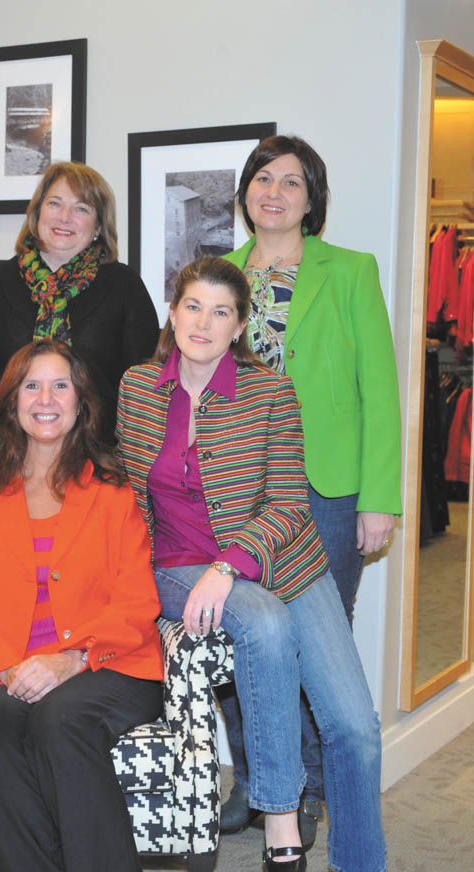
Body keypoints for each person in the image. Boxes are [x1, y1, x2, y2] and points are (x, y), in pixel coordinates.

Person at [117, 257, 385, 872]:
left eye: (221, 312)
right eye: (193, 306)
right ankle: (282, 828)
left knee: (357, 729)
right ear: (173, 312)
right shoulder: (137, 386)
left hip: (283, 562)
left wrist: (232, 563)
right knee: (261, 623)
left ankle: (362, 863)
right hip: (178, 563)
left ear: (239, 326)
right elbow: (130, 496)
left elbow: (291, 502)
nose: (203, 323)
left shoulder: (270, 390)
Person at [220, 134, 401, 841]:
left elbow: (380, 392)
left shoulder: (351, 271)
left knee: (318, 640)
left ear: (311, 198)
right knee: (240, 639)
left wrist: (379, 495)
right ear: (245, 193)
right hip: (239, 490)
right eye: (262, 179)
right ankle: (262, 783)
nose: (274, 192)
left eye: (291, 182)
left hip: (326, 489)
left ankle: (314, 790)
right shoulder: (219, 274)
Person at [0, 339, 163, 872]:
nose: (46, 398)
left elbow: (137, 599)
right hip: (4, 666)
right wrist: (7, 666)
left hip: (105, 664)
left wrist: (71, 658)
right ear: (12, 400)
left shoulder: (113, 490)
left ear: (81, 402)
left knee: (59, 718)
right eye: (32, 385)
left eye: (61, 385)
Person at [0, 160, 160, 442]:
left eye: (81, 208)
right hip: (3, 462)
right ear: (37, 213)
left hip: (98, 465)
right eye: (55, 203)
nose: (65, 217)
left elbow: (146, 394)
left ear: (98, 226)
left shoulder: (125, 288)